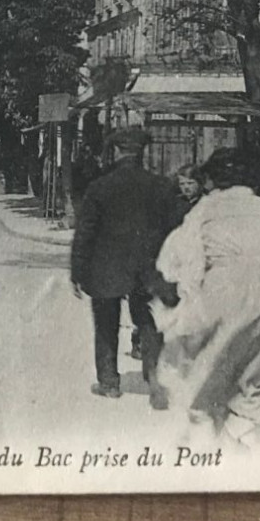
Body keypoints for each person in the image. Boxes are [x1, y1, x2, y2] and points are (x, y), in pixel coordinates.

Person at [152, 146, 260, 440]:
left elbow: (179, 258)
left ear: (214, 179)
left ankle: (206, 432)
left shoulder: (204, 210)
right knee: (256, 365)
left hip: (222, 287)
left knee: (210, 362)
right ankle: (244, 431)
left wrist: (184, 295)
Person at [70, 128, 179, 407]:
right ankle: (153, 376)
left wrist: (78, 271)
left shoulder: (100, 187)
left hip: (106, 267)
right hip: (149, 265)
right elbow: (175, 229)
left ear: (117, 151)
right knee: (148, 321)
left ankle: (109, 383)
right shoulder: (163, 186)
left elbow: (85, 233)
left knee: (106, 323)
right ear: (141, 152)